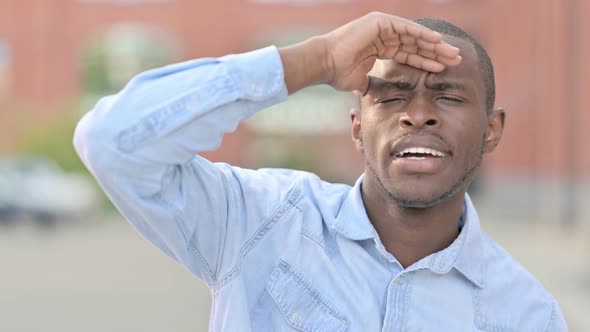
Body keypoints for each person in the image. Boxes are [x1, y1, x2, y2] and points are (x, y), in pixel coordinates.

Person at [74, 12, 567, 331]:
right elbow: (112, 142)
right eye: (392, 95)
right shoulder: (262, 220)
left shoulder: (526, 314)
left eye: (449, 96)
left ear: (491, 130)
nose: (418, 114)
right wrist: (321, 59)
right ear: (357, 127)